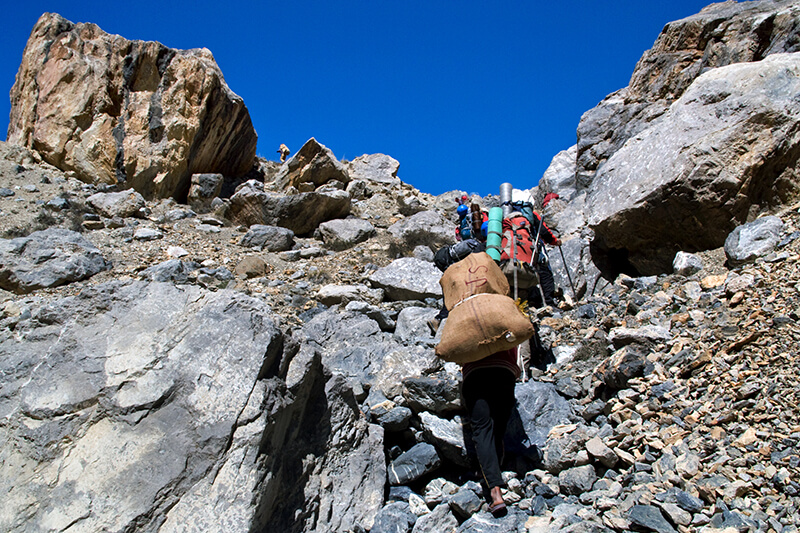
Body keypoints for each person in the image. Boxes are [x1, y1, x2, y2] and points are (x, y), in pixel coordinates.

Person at [462, 347, 521, 517]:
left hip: (476, 373)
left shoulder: (465, 320)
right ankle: (495, 468)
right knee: (498, 428)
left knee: (482, 430)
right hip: (505, 373)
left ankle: (495, 492)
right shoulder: (505, 319)